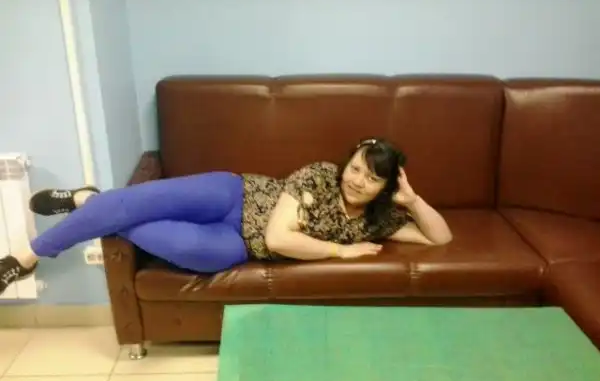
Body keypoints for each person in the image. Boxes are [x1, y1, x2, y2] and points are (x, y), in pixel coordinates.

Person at [0, 137, 452, 294]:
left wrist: (411, 200)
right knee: (129, 203)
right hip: (232, 195)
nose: (356, 181)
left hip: (237, 245)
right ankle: (26, 257)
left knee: (167, 237)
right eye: (355, 168)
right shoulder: (319, 175)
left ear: (384, 188)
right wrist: (341, 251)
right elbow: (279, 238)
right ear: (345, 163)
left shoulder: (379, 219)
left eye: (371, 179)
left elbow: (440, 238)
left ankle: (89, 202)